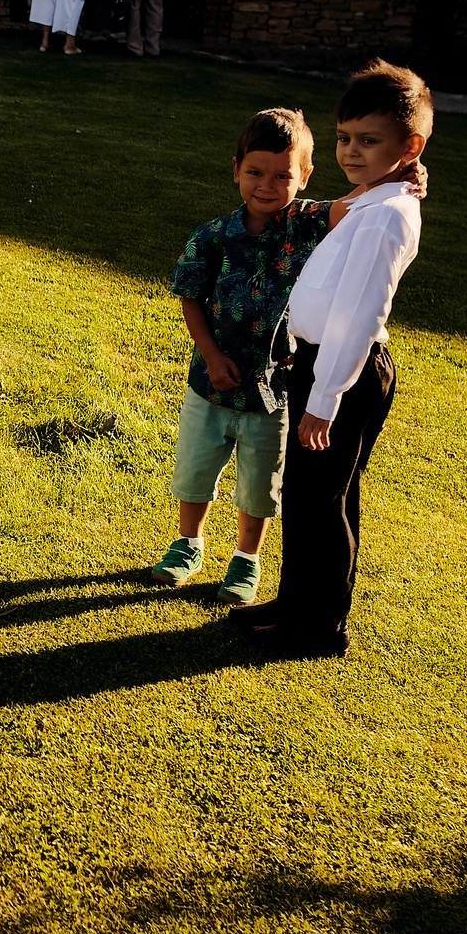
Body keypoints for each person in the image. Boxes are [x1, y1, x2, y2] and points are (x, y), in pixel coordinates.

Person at [233, 60, 432, 658]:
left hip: (343, 373)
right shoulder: (376, 197)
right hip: (318, 366)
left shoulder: (388, 216)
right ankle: (295, 602)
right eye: (345, 138)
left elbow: (359, 316)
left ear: (409, 146)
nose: (351, 151)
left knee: (325, 499)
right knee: (305, 492)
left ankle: (320, 626)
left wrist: (325, 400)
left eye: (369, 142)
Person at [150, 108, 339, 604]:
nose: (267, 186)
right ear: (235, 169)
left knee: (260, 483)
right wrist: (210, 355)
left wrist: (402, 177)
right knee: (194, 470)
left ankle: (246, 559)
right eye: (255, 172)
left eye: (283, 175)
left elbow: (356, 207)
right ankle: (188, 544)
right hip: (210, 384)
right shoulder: (213, 235)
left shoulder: (307, 227)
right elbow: (189, 294)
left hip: (275, 391)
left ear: (304, 177)